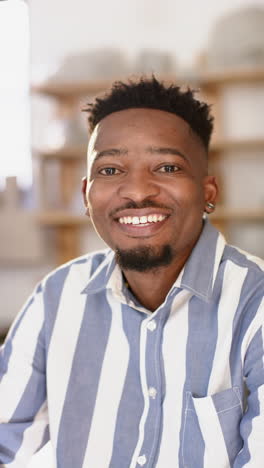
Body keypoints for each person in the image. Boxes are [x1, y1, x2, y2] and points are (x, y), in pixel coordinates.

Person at [0, 76, 263, 468]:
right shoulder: (56, 296)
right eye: (110, 171)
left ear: (208, 192)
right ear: (86, 195)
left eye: (167, 166)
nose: (137, 191)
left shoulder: (255, 303)